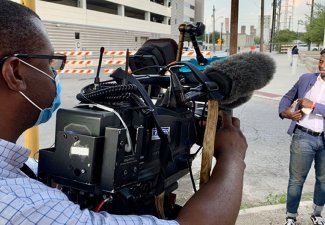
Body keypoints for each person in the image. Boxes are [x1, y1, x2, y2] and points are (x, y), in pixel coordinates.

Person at [0, 1, 248, 224]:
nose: (55, 75)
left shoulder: (23, 171)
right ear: (16, 73)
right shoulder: (23, 205)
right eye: (50, 65)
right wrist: (232, 157)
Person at [279, 49, 325, 225]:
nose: (322, 65)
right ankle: (291, 217)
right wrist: (285, 113)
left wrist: (313, 105)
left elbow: (312, 106)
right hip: (303, 136)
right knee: (296, 180)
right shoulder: (306, 79)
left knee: (323, 180)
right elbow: (287, 97)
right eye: (321, 61)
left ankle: (317, 214)